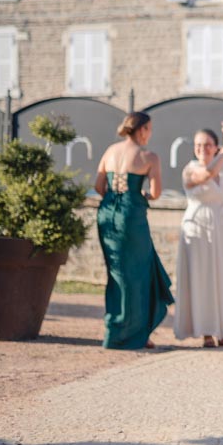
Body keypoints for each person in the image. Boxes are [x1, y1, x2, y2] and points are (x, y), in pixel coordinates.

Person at [94, 111, 174, 350]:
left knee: (116, 273)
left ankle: (116, 331)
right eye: (149, 129)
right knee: (138, 275)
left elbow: (99, 186)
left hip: (107, 213)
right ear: (142, 130)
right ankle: (135, 334)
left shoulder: (110, 151)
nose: (150, 134)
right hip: (131, 216)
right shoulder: (149, 156)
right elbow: (156, 192)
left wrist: (114, 198)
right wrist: (141, 196)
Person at [173, 124, 223, 348]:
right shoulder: (190, 169)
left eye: (207, 145)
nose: (202, 149)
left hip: (221, 225)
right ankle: (206, 332)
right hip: (198, 226)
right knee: (202, 277)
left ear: (214, 147)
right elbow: (208, 174)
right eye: (198, 145)